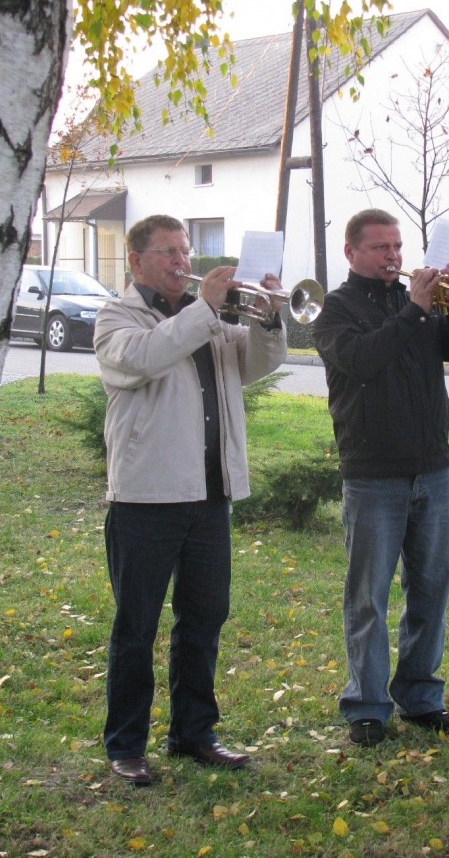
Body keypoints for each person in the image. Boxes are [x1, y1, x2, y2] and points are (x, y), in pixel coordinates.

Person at [94, 214, 287, 783]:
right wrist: (205, 307)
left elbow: (256, 365)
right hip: (146, 497)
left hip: (209, 494)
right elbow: (143, 359)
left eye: (185, 249)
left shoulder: (210, 321)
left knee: (203, 619)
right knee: (137, 626)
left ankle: (194, 733)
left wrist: (270, 317)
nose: (182, 260)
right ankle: (125, 745)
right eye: (168, 252)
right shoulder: (117, 317)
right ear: (137, 261)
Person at [312, 208, 449, 747]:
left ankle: (421, 697)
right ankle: (366, 705)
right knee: (368, 596)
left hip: (431, 468)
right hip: (372, 473)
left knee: (430, 590)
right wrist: (414, 310)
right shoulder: (334, 310)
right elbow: (363, 360)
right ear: (351, 252)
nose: (393, 256)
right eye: (381, 247)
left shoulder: (424, 302)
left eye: (397, 246)